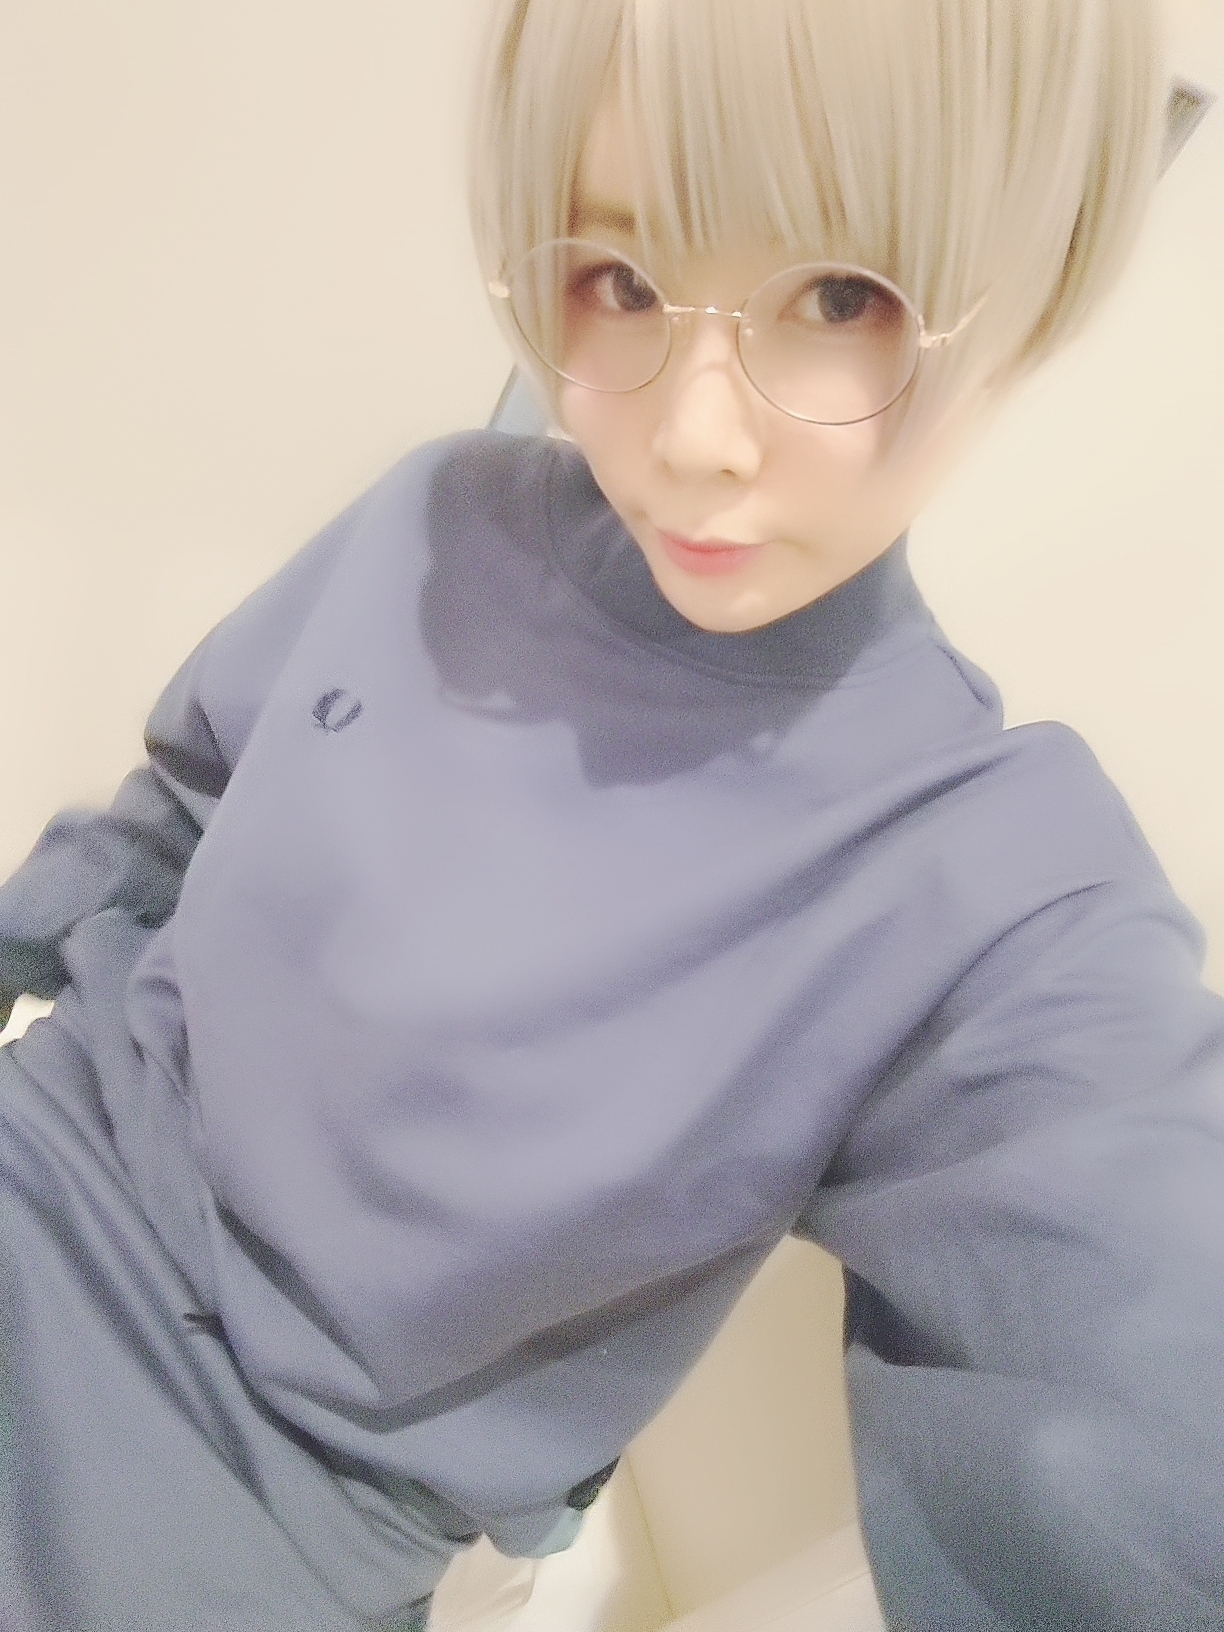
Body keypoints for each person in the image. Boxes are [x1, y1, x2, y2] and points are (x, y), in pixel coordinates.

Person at [1, 0, 1220, 1627]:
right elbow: (184, 804)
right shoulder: (436, 516)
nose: (694, 438)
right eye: (622, 279)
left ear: (1034, 298)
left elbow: (1140, 1366)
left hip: (253, 1498)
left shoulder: (978, 879)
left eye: (844, 297)